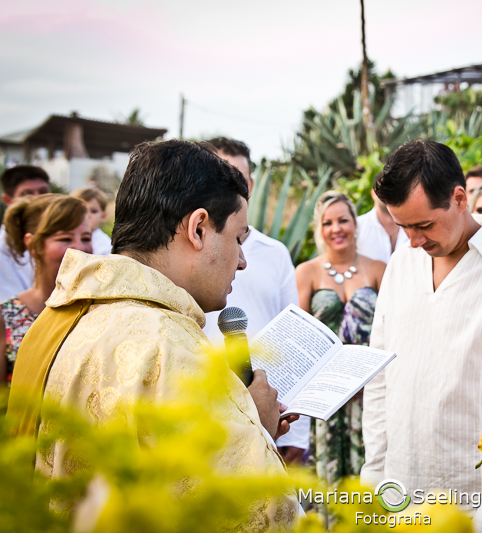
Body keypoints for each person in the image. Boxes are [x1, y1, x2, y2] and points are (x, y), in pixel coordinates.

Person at [7, 140, 300, 528]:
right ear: (198, 228)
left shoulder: (56, 319)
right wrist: (258, 429)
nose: (243, 261)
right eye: (238, 239)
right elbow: (253, 511)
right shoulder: (169, 347)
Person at [359, 140, 482, 528]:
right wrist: (373, 477)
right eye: (403, 227)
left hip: (471, 501)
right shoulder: (401, 263)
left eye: (424, 225)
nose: (413, 240)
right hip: (396, 490)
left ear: (460, 198)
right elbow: (379, 377)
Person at [202, 137, 310, 465]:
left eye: (239, 178)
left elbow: (293, 337)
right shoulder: (190, 260)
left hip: (270, 409)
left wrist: (296, 430)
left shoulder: (275, 253)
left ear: (250, 184)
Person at [296, 191, 385, 487]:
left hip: (370, 390)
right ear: (319, 230)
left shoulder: (378, 269)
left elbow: (391, 330)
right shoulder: (306, 272)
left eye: (343, 220)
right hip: (326, 396)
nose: (336, 229)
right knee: (331, 479)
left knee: (372, 471)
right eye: (327, 223)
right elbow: (300, 338)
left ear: (355, 224)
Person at [1, 195, 91, 385]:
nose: (79, 248)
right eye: (65, 238)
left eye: (86, 238)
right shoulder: (7, 316)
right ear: (33, 245)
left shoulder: (98, 311)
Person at [0, 166, 51, 302]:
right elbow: (10, 308)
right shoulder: (2, 250)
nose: (38, 199)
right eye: (27, 194)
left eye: (43, 192)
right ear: (8, 200)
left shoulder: (59, 239)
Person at [356, 190, 409, 264]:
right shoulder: (357, 226)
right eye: (384, 189)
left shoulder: (414, 223)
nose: (389, 194)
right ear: (373, 193)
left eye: (393, 189)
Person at [70, 187, 112, 255]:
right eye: (81, 210)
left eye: (93, 211)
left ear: (103, 216)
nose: (87, 215)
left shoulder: (105, 246)